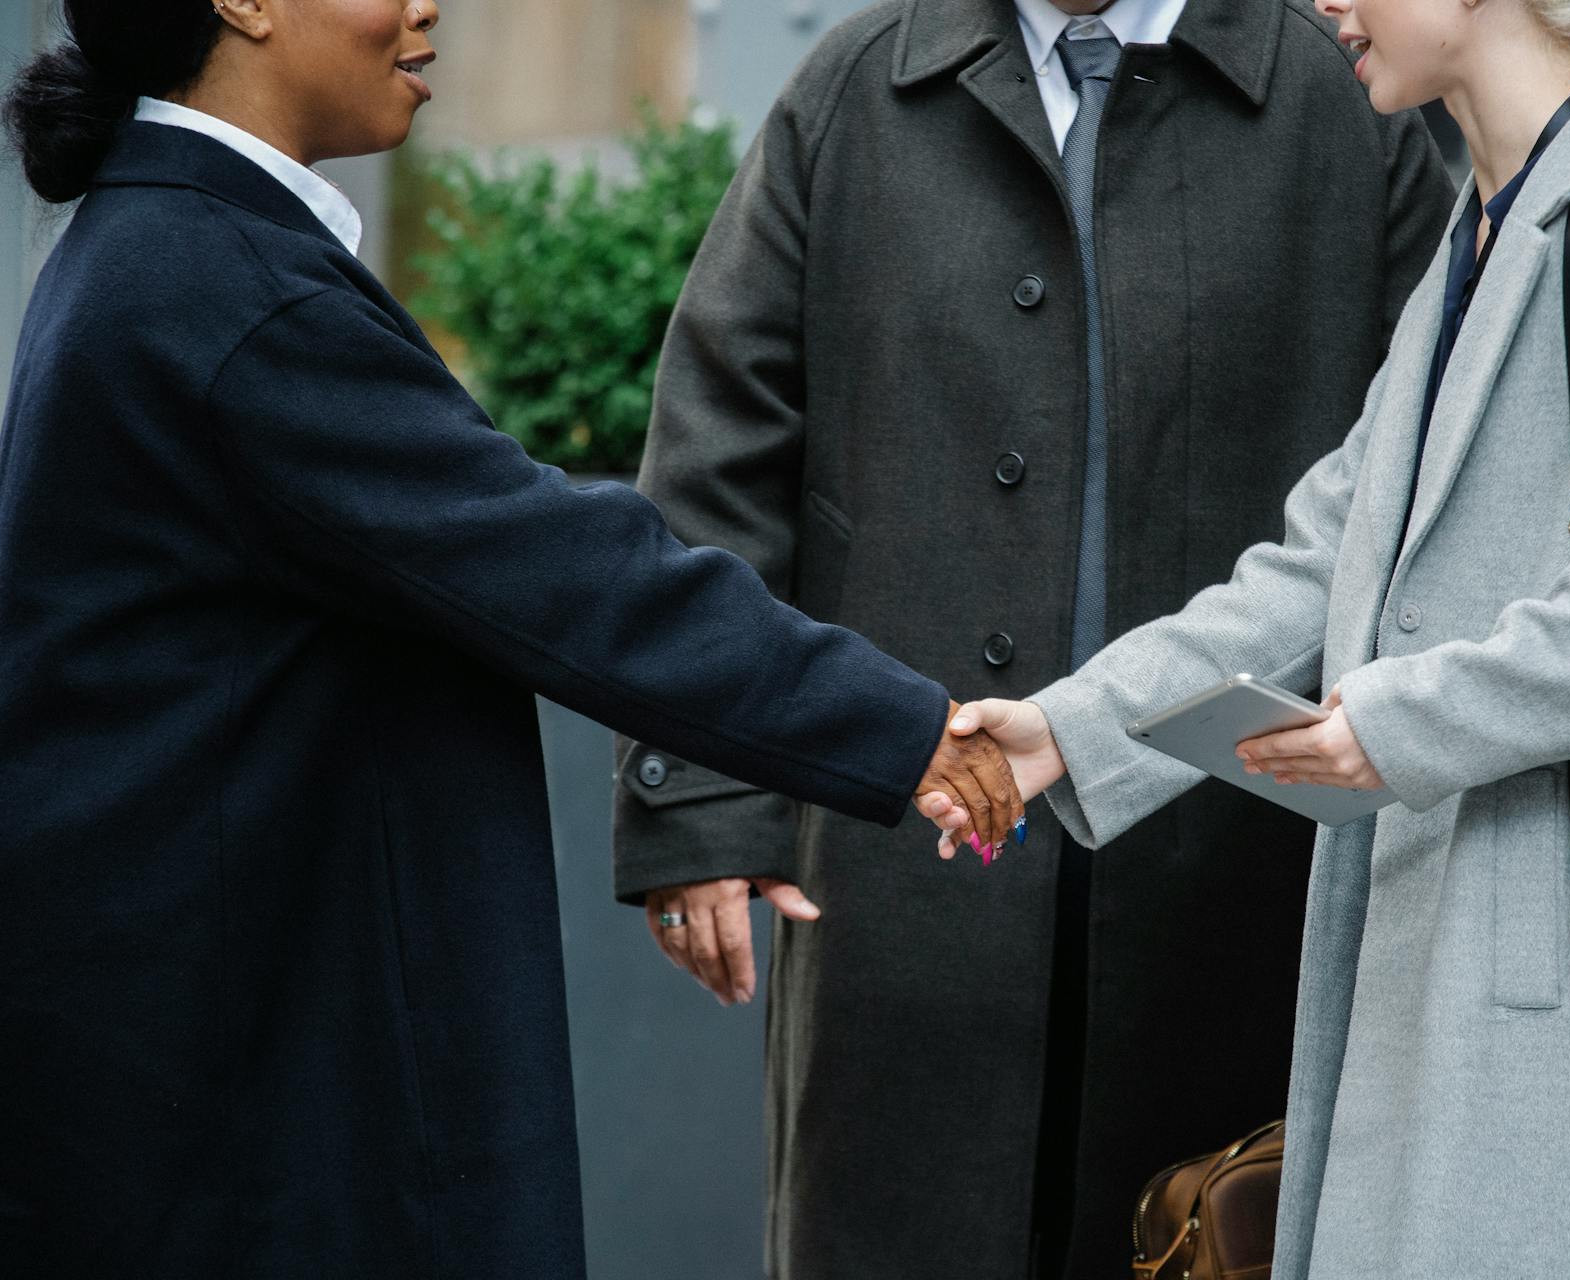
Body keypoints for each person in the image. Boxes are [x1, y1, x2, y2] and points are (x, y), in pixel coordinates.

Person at [0, 1, 1021, 1275]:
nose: (428, 6)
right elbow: (570, 571)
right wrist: (904, 726)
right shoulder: (220, 288)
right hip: (252, 1108)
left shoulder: (157, 249)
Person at [925, 0, 1570, 1275]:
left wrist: (1400, 723)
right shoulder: (1480, 228)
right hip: (1457, 962)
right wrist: (1064, 731)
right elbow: (1322, 562)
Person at [609, 0, 1453, 1275]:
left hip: (1235, 899)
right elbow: (717, 467)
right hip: (905, 899)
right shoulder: (858, 87)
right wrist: (699, 796)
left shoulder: (1346, 103)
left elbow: (1438, 489)